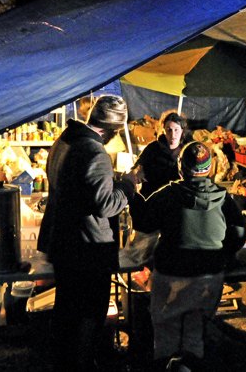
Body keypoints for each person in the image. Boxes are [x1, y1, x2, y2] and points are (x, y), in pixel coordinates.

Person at [37, 95, 140, 372]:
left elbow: (80, 190)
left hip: (63, 242)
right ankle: (81, 365)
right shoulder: (94, 152)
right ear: (109, 130)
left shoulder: (64, 140)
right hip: (87, 249)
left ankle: (64, 363)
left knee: (67, 312)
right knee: (87, 316)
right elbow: (105, 205)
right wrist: (128, 186)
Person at [129, 141, 246, 369]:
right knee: (195, 330)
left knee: (166, 332)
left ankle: (167, 365)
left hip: (171, 277)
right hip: (208, 278)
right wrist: (221, 253)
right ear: (209, 169)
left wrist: (132, 195)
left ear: (181, 168)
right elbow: (239, 234)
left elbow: (144, 221)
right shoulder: (224, 199)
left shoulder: (168, 194)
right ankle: (191, 365)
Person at [133, 111, 193, 197]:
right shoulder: (153, 148)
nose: (173, 134)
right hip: (152, 197)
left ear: (182, 131)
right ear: (164, 130)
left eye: (176, 130)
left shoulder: (188, 151)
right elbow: (136, 166)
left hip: (177, 198)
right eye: (169, 130)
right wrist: (138, 170)